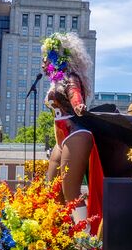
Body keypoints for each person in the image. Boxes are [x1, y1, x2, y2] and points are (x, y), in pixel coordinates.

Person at [43, 32, 102, 231]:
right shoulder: (54, 82)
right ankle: (62, 237)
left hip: (76, 134)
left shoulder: (70, 78)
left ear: (58, 58)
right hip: (61, 140)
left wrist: (78, 106)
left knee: (70, 191)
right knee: (52, 191)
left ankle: (87, 240)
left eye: (48, 57)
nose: (44, 62)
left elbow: (75, 94)